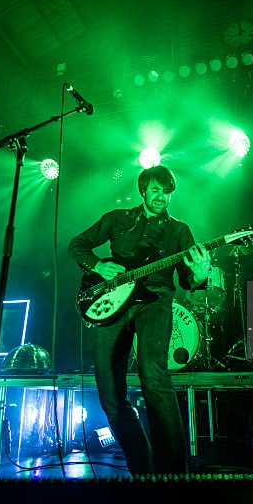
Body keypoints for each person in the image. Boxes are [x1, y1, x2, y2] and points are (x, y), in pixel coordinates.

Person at [68, 165, 211, 475]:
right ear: (143, 190)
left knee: (154, 376)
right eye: (156, 190)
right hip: (114, 303)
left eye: (167, 191)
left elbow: (189, 280)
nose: (162, 196)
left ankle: (173, 474)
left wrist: (200, 275)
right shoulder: (118, 219)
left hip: (155, 300)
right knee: (109, 392)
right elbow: (77, 244)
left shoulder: (179, 230)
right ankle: (142, 470)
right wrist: (98, 265)